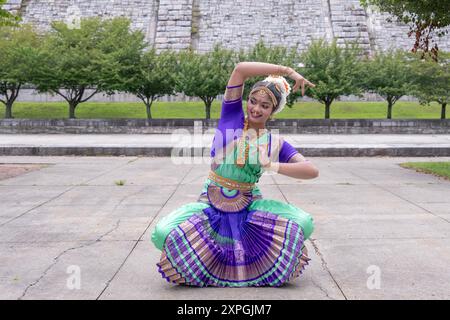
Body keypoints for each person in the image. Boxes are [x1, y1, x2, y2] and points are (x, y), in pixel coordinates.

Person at [151, 61, 318, 287]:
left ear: (273, 111)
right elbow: (240, 69)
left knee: (303, 223)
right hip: (211, 203)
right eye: (253, 101)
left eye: (265, 105)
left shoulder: (274, 142)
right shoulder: (231, 118)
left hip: (249, 206)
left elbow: (311, 170)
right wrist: (287, 71)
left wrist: (271, 165)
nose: (256, 108)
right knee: (162, 233)